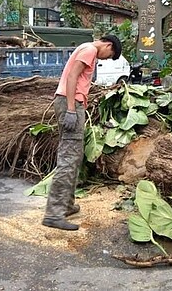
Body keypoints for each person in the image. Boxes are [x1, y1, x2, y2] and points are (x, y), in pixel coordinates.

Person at [42, 34, 122, 231]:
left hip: (73, 102)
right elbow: (72, 77)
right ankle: (54, 214)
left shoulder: (87, 48)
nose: (104, 59)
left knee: (74, 156)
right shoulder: (90, 50)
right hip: (71, 104)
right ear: (108, 45)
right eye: (109, 55)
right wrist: (71, 109)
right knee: (68, 158)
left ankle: (66, 205)